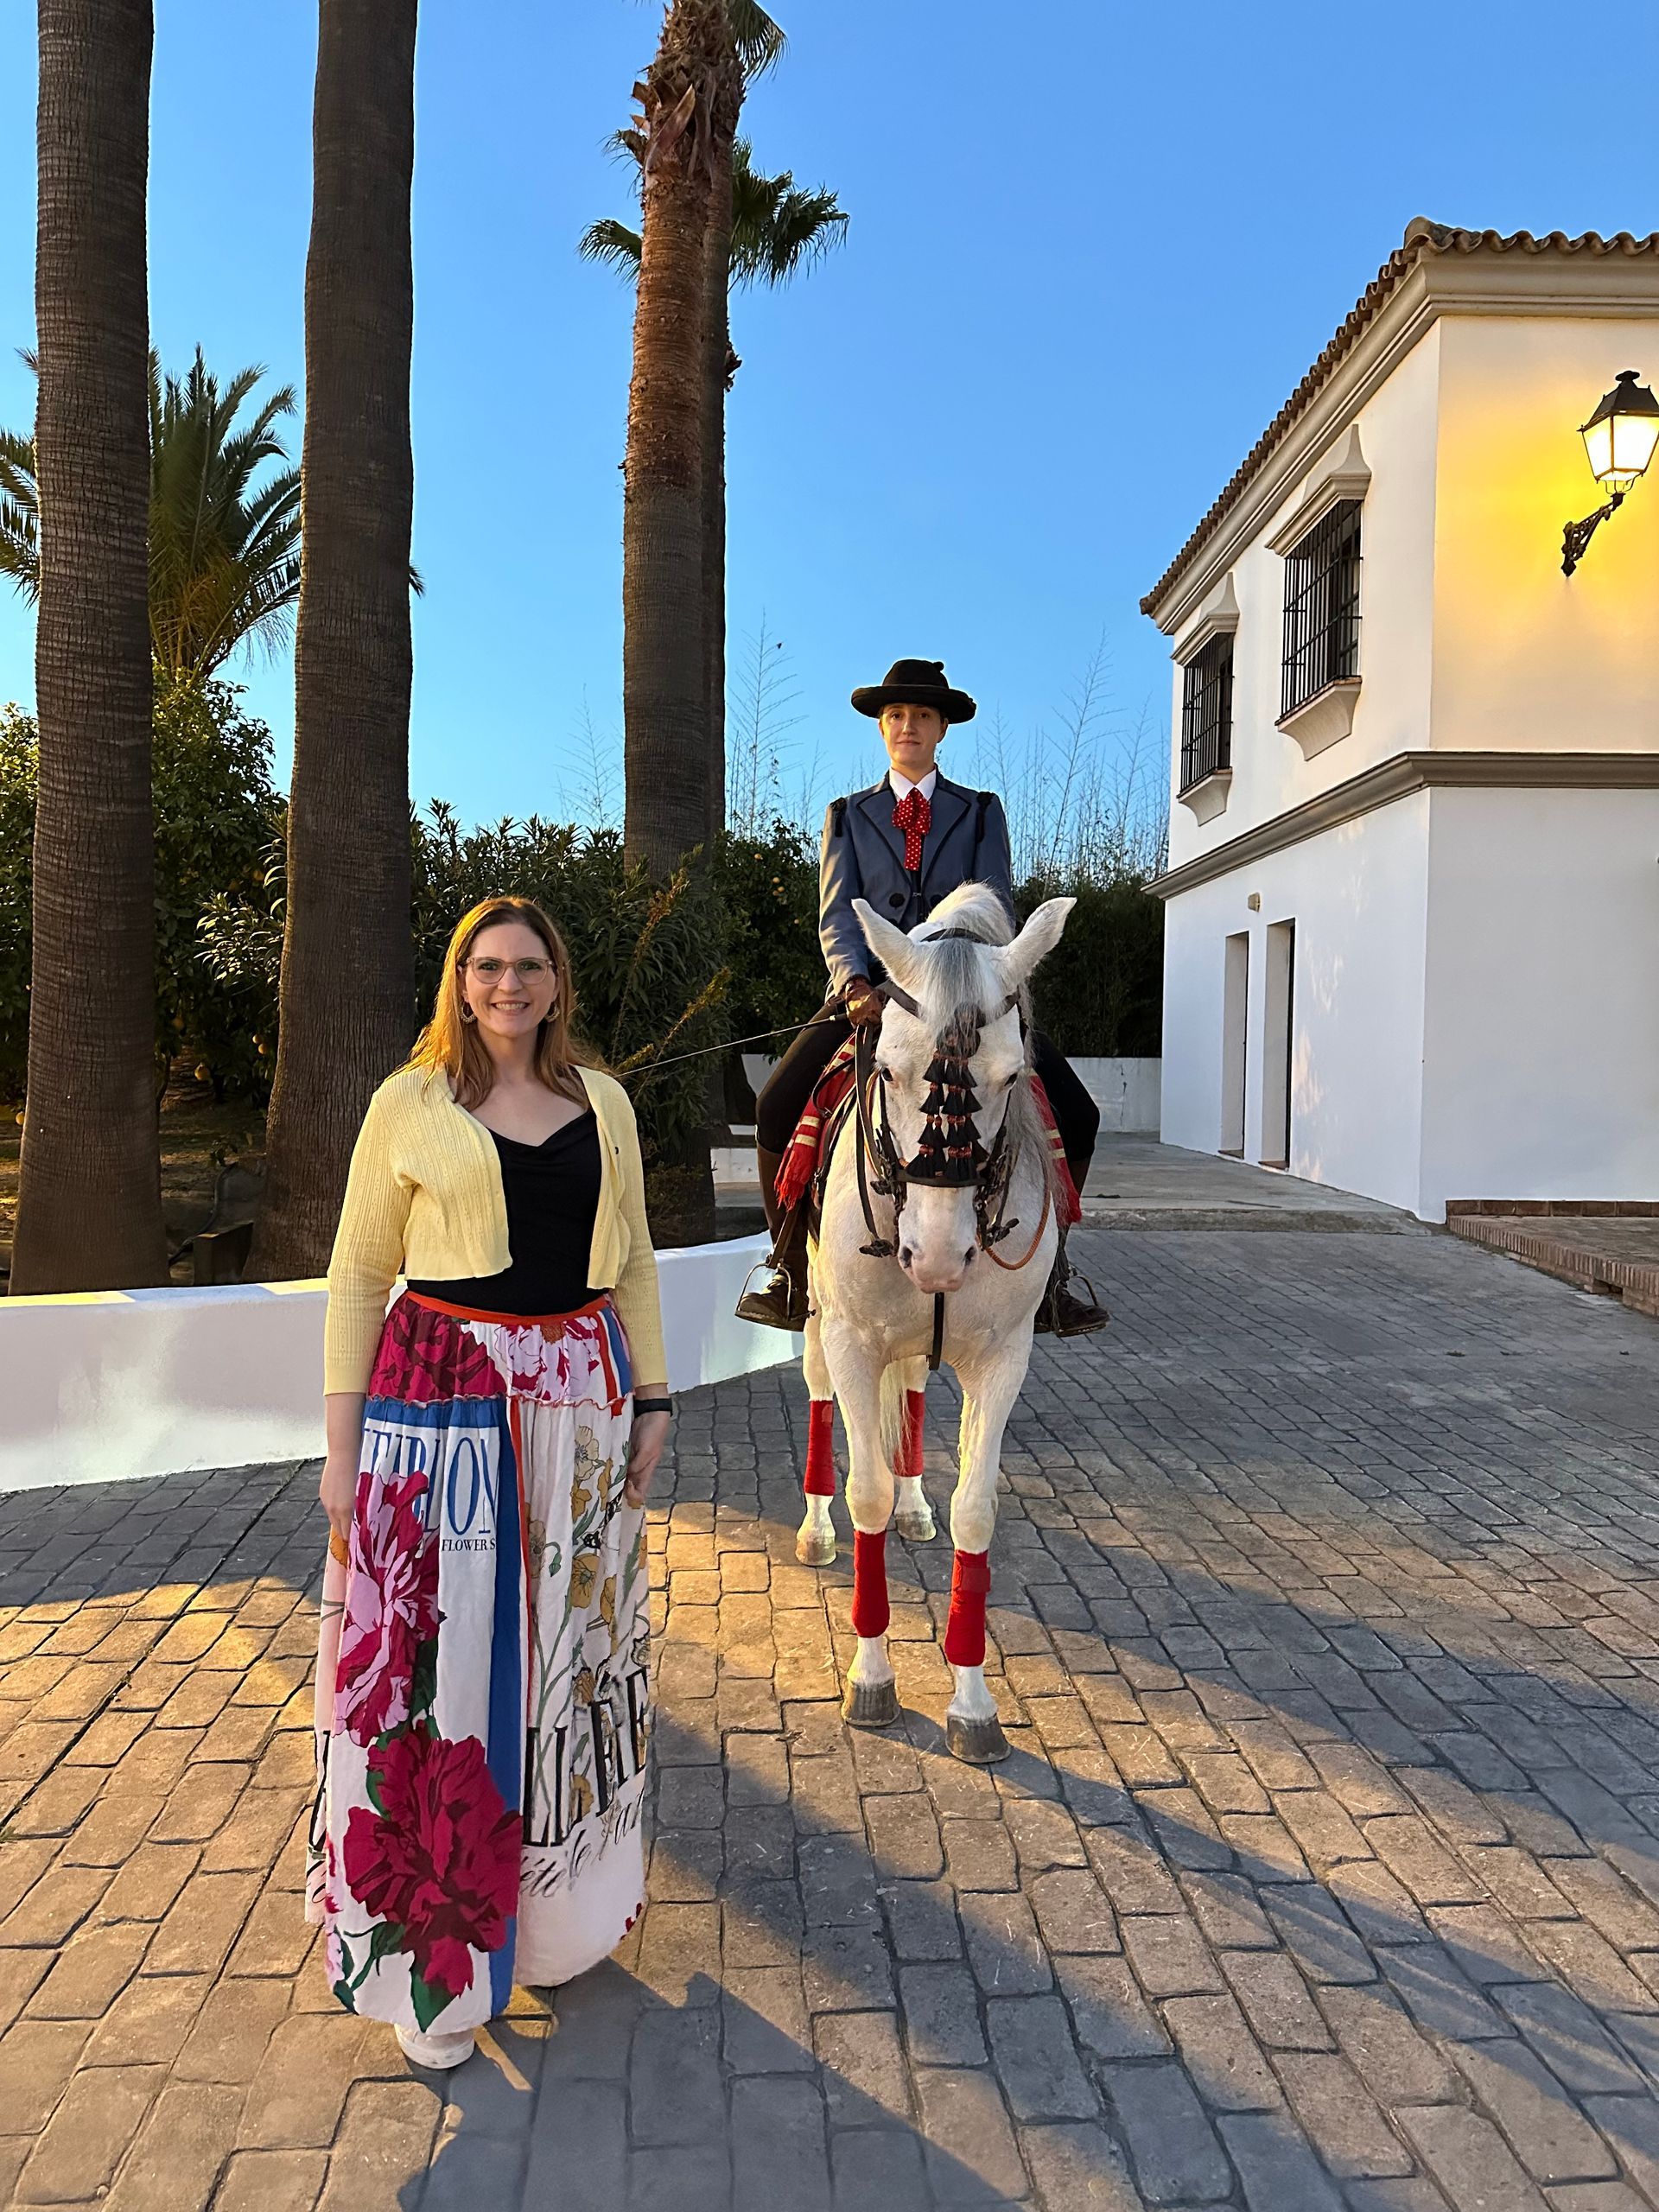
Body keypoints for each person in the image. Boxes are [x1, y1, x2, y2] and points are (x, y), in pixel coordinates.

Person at [306, 895, 671, 2072]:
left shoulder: (603, 1103)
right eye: (487, 964)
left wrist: (655, 1396)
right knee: (444, 1671)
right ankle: (436, 1971)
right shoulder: (408, 1104)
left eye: (530, 964)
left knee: (570, 1661)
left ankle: (555, 1925)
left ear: (559, 982)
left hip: (583, 1411)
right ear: (460, 983)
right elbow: (358, 1272)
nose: (510, 983)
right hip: (440, 1412)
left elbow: (634, 1261)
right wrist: (341, 1450)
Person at [738, 657, 1107, 1334]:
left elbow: (995, 908)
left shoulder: (981, 812)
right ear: (882, 728)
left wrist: (979, 981)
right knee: (775, 1103)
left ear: (942, 729)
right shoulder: (847, 815)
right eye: (896, 715)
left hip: (969, 996)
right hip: (876, 997)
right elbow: (838, 917)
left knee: (1078, 1114)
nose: (908, 725)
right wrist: (854, 983)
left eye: (922, 716)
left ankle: (1053, 1272)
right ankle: (787, 1267)